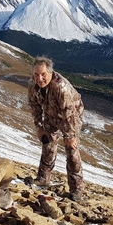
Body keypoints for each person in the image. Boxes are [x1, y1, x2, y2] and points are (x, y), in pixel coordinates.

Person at [27, 56, 84, 201]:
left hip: (71, 116)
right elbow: (35, 106)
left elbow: (68, 114)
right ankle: (43, 178)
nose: (39, 79)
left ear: (50, 72)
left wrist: (69, 136)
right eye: (36, 74)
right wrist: (39, 127)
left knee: (71, 150)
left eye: (43, 74)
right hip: (51, 113)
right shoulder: (32, 84)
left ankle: (76, 189)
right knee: (48, 142)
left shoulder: (61, 87)